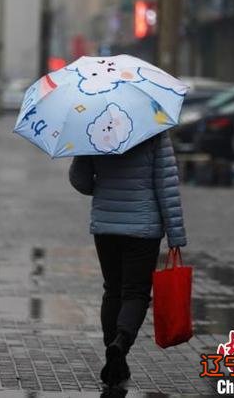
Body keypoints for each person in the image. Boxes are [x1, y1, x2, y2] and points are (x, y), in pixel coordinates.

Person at [68, 132, 186, 388]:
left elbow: (81, 182)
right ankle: (121, 342)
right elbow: (166, 184)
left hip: (106, 226)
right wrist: (176, 233)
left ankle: (116, 360)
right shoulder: (155, 130)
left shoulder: (91, 129)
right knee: (136, 292)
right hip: (143, 228)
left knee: (112, 290)